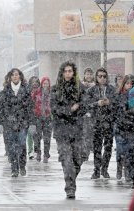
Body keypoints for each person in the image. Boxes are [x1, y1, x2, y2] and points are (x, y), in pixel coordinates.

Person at [50, 61, 86, 199]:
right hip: (61, 129)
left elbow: (85, 104)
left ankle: (71, 179)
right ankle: (70, 188)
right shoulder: (56, 89)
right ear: (62, 73)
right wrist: (69, 110)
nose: (67, 74)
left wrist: (80, 108)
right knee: (66, 160)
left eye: (70, 71)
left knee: (78, 159)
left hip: (77, 129)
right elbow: (54, 108)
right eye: (65, 71)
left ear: (74, 72)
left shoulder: (80, 88)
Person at [0, 68, 33, 176]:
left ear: (20, 76)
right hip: (9, 122)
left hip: (22, 122)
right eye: (12, 75)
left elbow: (30, 107)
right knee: (11, 146)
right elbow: (1, 106)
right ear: (10, 77)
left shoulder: (26, 89)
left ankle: (22, 165)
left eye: (16, 75)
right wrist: (0, 123)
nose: (15, 77)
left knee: (21, 144)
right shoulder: (6, 90)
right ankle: (14, 169)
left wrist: (32, 123)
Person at [85, 68, 116, 179]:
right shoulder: (91, 90)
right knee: (97, 147)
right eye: (100, 76)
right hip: (96, 122)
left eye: (104, 76)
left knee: (108, 146)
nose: (102, 78)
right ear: (96, 77)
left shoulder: (112, 89)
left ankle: (105, 169)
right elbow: (86, 105)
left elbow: (117, 105)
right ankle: (96, 170)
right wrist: (97, 103)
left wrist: (110, 102)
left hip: (108, 121)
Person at [114, 75, 134, 181]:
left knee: (129, 151)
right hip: (120, 127)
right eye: (127, 83)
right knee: (120, 150)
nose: (130, 86)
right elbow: (116, 110)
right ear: (124, 84)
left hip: (132, 127)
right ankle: (119, 168)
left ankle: (127, 171)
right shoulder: (119, 95)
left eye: (132, 84)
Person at [32, 77, 52, 163]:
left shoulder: (52, 93)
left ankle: (46, 155)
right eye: (44, 83)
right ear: (41, 84)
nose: (45, 85)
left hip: (48, 117)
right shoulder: (37, 92)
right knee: (38, 137)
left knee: (47, 138)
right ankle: (38, 152)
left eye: (47, 83)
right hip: (38, 117)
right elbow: (32, 102)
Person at [81, 68, 95, 160]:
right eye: (87, 74)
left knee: (93, 134)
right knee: (85, 134)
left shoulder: (96, 86)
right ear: (84, 75)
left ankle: (92, 150)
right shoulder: (80, 85)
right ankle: (85, 154)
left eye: (90, 74)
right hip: (83, 114)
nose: (89, 76)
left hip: (94, 113)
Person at [27, 76, 40, 160]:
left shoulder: (41, 92)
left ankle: (36, 148)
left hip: (39, 115)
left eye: (36, 82)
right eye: (33, 82)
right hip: (30, 115)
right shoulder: (27, 92)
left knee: (37, 134)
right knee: (30, 133)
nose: (34, 83)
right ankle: (30, 151)